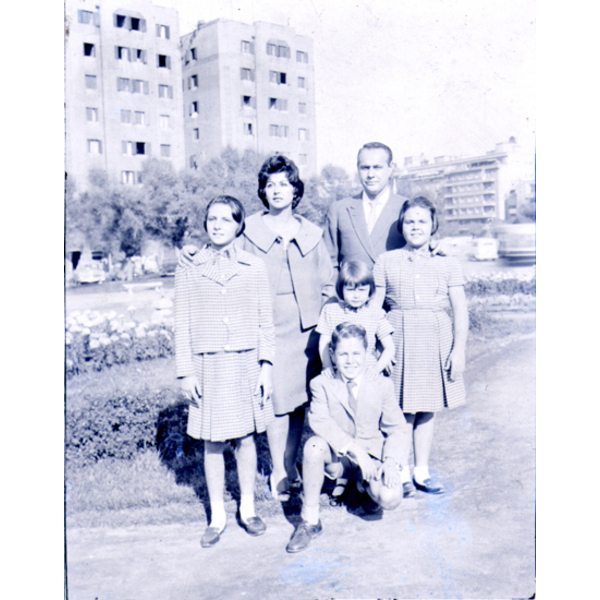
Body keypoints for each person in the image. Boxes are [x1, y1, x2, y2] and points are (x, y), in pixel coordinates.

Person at [180, 155, 334, 502]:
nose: (278, 190)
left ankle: (291, 464)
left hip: (306, 332)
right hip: (265, 327)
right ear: (262, 190)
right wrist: (192, 252)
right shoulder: (248, 229)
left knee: (299, 402)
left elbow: (328, 280)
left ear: (296, 189)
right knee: (276, 402)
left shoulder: (311, 232)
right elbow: (219, 251)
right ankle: (279, 471)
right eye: (271, 184)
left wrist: (321, 316)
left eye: (285, 183)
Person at [174, 195, 275, 548]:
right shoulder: (189, 266)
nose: (217, 225)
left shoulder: (254, 266)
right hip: (208, 364)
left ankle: (247, 508)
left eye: (225, 220)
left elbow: (265, 321)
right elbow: (182, 322)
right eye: (211, 219)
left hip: (245, 361)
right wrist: (186, 372)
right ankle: (217, 516)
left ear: (238, 226)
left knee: (246, 438)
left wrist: (266, 366)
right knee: (213, 441)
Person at [373, 197, 468, 497]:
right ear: (402, 226)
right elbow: (375, 307)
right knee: (401, 409)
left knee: (426, 408)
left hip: (435, 339)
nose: (416, 226)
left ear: (433, 226)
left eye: (422, 221)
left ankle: (422, 472)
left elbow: (460, 310)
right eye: (410, 221)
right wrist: (379, 347)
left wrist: (459, 350)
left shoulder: (448, 262)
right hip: (397, 338)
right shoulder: (386, 261)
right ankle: (399, 470)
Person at [286, 323, 404, 553]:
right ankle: (309, 521)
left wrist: (390, 462)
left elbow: (397, 428)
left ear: (367, 354)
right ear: (332, 355)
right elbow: (319, 420)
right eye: (343, 354)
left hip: (373, 457)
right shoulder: (321, 383)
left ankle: (364, 487)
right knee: (313, 446)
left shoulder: (381, 384)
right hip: (339, 457)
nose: (350, 361)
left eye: (356, 354)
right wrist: (354, 450)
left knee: (390, 497)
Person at [316, 260, 395, 501]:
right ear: (341, 290)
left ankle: (369, 470)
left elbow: (390, 347)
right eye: (350, 289)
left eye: (362, 289)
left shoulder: (376, 313)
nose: (356, 294)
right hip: (341, 377)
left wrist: (377, 369)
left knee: (366, 423)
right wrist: (329, 369)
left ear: (370, 290)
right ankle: (343, 474)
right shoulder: (331, 311)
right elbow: (323, 344)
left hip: (366, 379)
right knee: (341, 423)